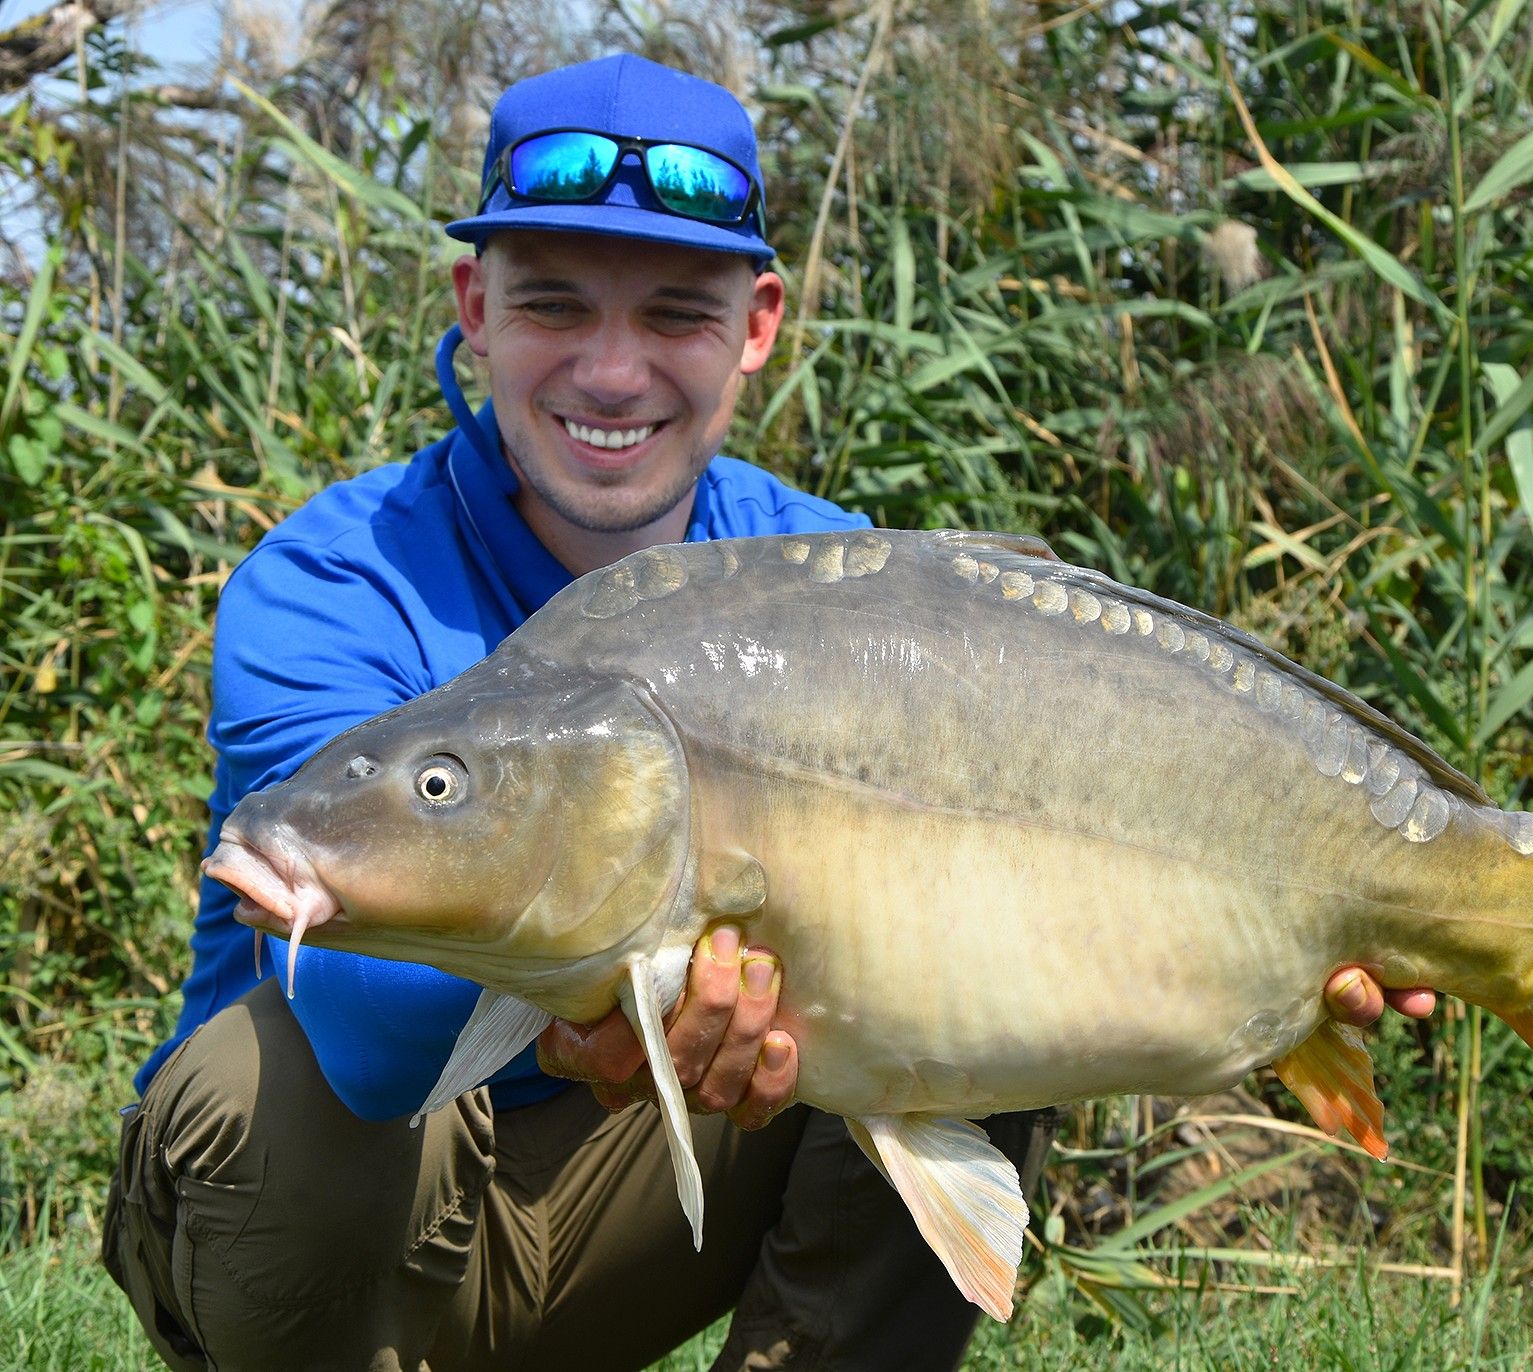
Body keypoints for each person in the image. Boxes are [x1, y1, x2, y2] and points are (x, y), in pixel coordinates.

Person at [101, 53, 1436, 1372]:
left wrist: (1286, 927)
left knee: (967, 968)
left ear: (757, 326)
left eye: (677, 315)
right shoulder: (334, 580)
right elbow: (356, 1034)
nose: (612, 374)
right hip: (361, 1226)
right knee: (260, 1082)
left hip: (637, 1217)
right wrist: (601, 1005)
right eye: (556, 307)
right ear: (475, 307)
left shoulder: (841, 589)